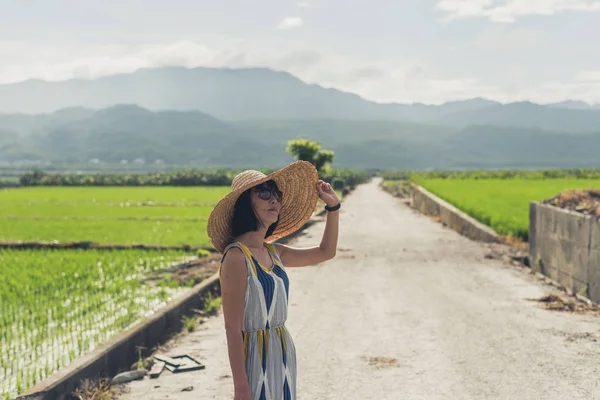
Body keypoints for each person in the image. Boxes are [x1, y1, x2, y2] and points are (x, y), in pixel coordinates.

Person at [207, 160, 340, 400]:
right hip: (255, 358)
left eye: (276, 194)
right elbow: (232, 328)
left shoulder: (274, 252)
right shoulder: (237, 257)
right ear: (246, 204)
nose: (274, 200)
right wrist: (241, 388)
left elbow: (325, 252)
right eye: (264, 193)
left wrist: (333, 208)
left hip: (282, 351)